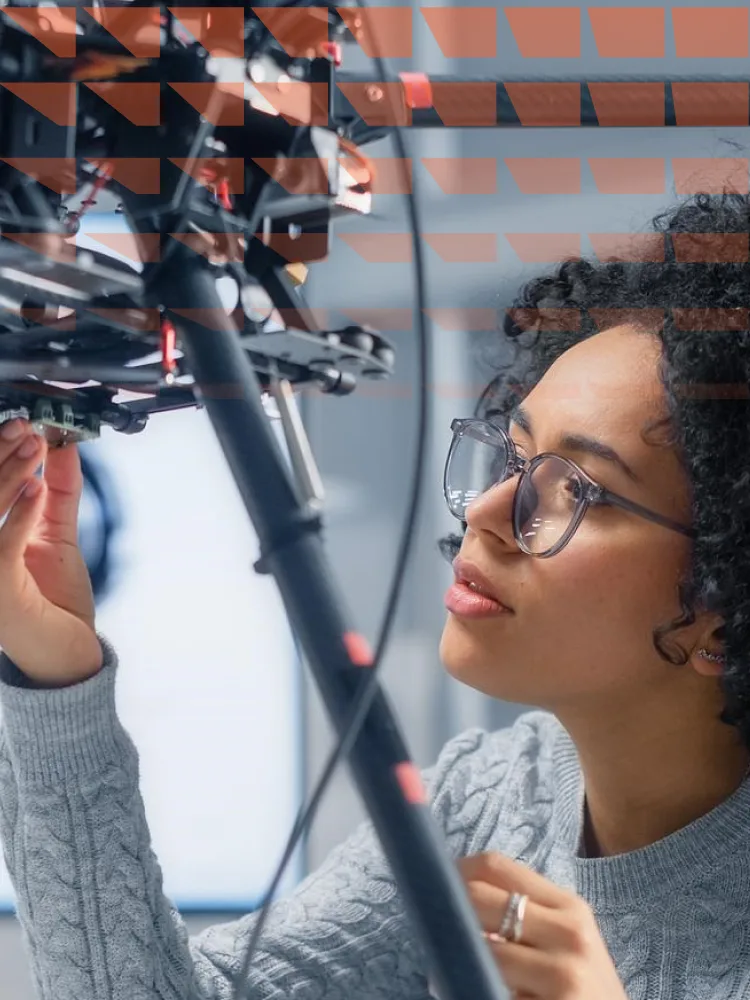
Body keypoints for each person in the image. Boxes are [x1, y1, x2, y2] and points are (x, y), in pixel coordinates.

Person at [3, 190, 750, 1000]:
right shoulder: (495, 793)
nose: (490, 514)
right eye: (515, 456)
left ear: (724, 606)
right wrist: (58, 671)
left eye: (579, 490)